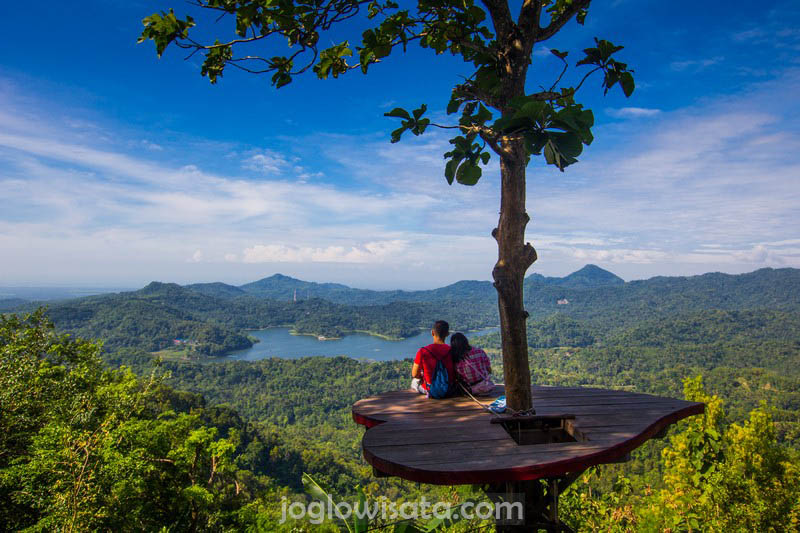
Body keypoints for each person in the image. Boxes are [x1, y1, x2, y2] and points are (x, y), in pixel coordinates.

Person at [410, 320, 455, 396]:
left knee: (414, 381)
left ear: (432, 333)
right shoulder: (453, 351)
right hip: (449, 389)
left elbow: (414, 374)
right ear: (447, 334)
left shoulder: (423, 351)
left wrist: (422, 376)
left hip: (430, 389)